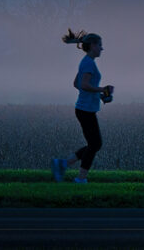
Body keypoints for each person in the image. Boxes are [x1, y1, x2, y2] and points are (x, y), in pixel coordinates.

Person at [52, 29, 113, 184]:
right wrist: (102, 89)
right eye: (100, 45)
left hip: (85, 108)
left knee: (94, 144)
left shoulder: (87, 62)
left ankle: (63, 164)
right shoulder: (88, 64)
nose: (102, 48)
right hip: (85, 110)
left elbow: (76, 84)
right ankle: (80, 178)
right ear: (92, 46)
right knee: (95, 144)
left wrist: (98, 95)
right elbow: (84, 85)